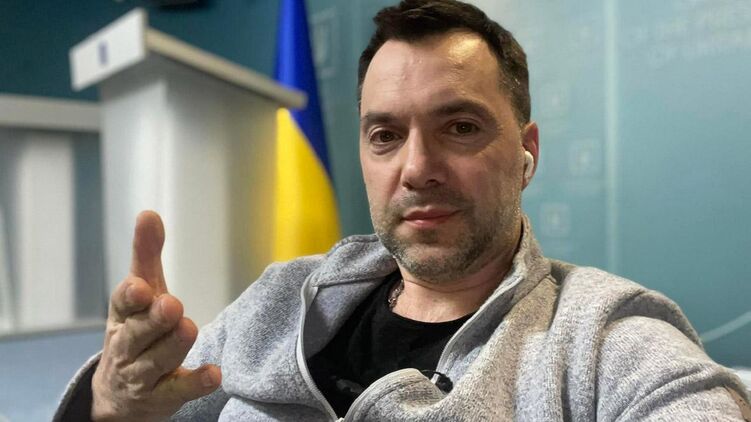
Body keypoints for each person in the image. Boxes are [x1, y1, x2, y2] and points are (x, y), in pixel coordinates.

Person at [56, 0, 751, 421]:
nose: (416, 168)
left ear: (526, 153)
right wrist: (112, 404)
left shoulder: (600, 338)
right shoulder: (280, 300)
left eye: (460, 127)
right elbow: (145, 405)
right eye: (385, 135)